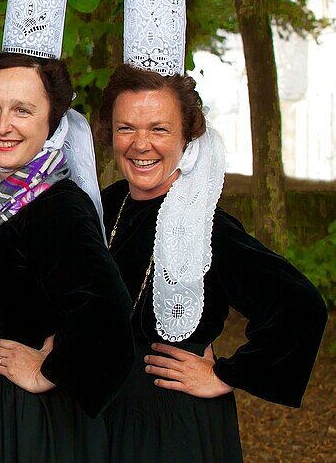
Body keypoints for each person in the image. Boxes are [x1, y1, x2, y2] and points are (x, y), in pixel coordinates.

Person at [96, 64, 327, 462]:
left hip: (172, 429)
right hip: (100, 422)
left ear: (187, 136)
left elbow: (300, 307)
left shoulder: (206, 226)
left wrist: (225, 375)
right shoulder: (108, 204)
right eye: (126, 128)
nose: (140, 143)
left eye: (159, 129)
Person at [0, 52, 134, 462]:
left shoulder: (59, 206)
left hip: (28, 424)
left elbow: (107, 310)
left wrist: (47, 372)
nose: (3, 125)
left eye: (22, 110)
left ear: (52, 120)